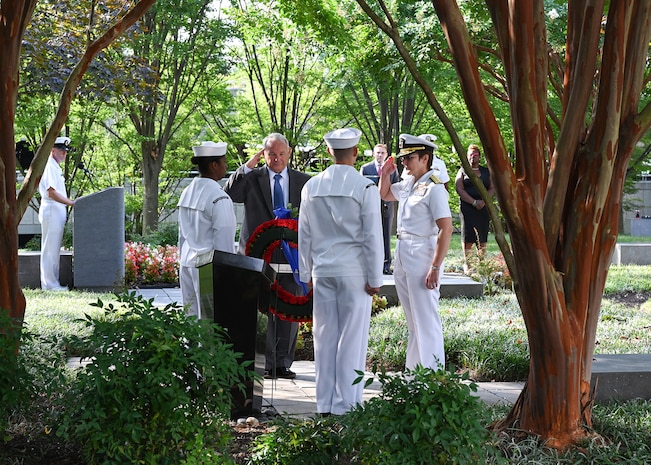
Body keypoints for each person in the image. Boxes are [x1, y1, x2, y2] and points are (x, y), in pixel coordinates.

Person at [298, 127, 383, 416]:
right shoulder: (364, 187)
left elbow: (304, 234)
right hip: (354, 272)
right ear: (356, 152)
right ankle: (346, 404)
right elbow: (372, 235)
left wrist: (305, 272)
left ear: (329, 152)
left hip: (323, 270)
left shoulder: (311, 186)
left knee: (324, 336)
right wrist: (375, 278)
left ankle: (325, 402)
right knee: (352, 339)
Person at [224, 133, 311, 380]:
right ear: (264, 154)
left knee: (289, 308)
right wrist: (248, 165)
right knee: (261, 311)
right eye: (272, 154)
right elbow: (230, 192)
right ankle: (263, 362)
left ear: (289, 153)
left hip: (292, 257)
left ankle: (282, 363)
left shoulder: (304, 182)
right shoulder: (252, 179)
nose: (277, 159)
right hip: (257, 255)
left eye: (282, 154)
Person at [378, 134, 453, 370]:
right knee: (413, 321)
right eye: (403, 158)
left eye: (409, 158)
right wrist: (385, 174)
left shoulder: (434, 188)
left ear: (425, 158)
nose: (405, 162)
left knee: (426, 319)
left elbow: (446, 228)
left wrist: (435, 267)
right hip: (404, 251)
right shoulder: (410, 184)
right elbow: (385, 194)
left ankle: (433, 379)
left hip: (422, 253)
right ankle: (414, 376)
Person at [178, 141, 236, 319]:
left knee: (191, 318)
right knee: (212, 321)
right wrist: (226, 275)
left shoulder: (186, 192)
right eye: (224, 162)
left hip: (187, 262)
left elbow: (182, 236)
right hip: (209, 267)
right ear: (214, 165)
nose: (226, 166)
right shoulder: (219, 197)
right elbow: (224, 241)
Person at [38, 136, 75, 291]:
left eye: (65, 151)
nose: (64, 154)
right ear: (52, 150)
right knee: (50, 250)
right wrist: (71, 202)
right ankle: (50, 284)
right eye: (61, 150)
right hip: (52, 208)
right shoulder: (49, 166)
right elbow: (51, 192)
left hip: (56, 210)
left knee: (54, 249)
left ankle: (53, 283)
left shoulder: (55, 166)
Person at [360, 143, 400, 274]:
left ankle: (386, 264)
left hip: (387, 207)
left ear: (386, 155)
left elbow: (396, 187)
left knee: (386, 235)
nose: (380, 155)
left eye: (382, 153)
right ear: (373, 154)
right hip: (370, 207)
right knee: (370, 235)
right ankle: (370, 264)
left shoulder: (392, 169)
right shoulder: (366, 169)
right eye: (377, 152)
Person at [455, 143, 495, 273]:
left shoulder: (486, 171)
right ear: (467, 157)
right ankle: (468, 264)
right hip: (468, 207)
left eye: (476, 155)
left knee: (482, 233)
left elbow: (492, 187)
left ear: (480, 157)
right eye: (471, 155)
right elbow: (459, 188)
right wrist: (473, 202)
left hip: (483, 207)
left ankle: (481, 263)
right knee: (468, 234)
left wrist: (484, 201)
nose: (473, 157)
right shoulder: (463, 171)